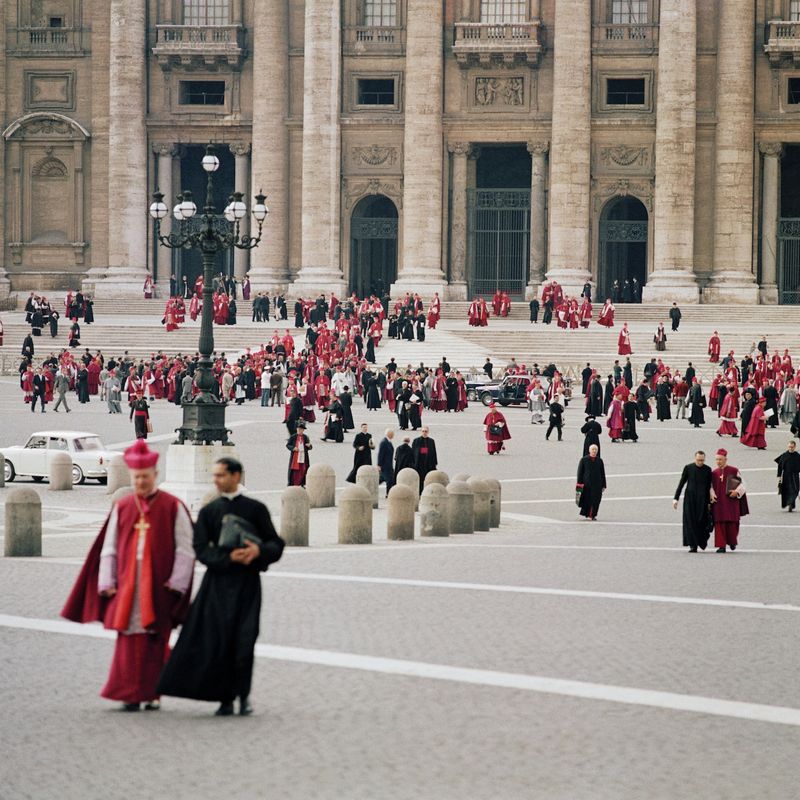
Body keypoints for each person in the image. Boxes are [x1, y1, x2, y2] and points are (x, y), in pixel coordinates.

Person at [61, 440, 194, 711]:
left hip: (160, 585)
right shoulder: (123, 506)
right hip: (128, 583)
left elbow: (185, 550)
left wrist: (177, 584)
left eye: (145, 478)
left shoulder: (173, 506)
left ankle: (152, 692)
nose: (141, 483)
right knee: (129, 638)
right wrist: (107, 582)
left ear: (155, 476)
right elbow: (109, 548)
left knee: (155, 638)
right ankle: (128, 692)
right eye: (136, 478)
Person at [157, 457, 285, 717]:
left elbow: (276, 544)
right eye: (214, 475)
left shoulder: (255, 509)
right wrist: (228, 558)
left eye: (221, 475)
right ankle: (224, 697)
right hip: (216, 586)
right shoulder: (209, 512)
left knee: (245, 641)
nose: (215, 480)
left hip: (247, 584)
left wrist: (258, 551)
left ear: (236, 475)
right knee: (218, 641)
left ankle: (243, 696)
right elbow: (201, 549)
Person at [673, 451, 714, 552]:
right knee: (690, 521)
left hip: (703, 500)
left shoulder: (708, 469)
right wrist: (676, 498)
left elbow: (709, 486)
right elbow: (681, 483)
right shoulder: (688, 468)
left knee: (701, 521)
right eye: (698, 460)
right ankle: (693, 545)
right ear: (695, 459)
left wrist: (709, 503)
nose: (700, 462)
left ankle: (701, 542)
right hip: (690, 500)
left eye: (702, 460)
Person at [710, 449, 748, 553]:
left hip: (731, 502)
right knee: (719, 524)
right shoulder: (713, 473)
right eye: (717, 460)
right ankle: (721, 546)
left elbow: (743, 484)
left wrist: (737, 491)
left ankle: (732, 542)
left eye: (720, 460)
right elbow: (710, 487)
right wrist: (712, 495)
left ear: (725, 459)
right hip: (718, 503)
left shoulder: (734, 470)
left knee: (733, 523)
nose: (718, 462)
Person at [576, 444, 606, 521]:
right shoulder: (584, 460)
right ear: (589, 451)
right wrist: (579, 484)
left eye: (595, 450)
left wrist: (604, 485)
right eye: (593, 450)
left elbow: (602, 473)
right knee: (588, 500)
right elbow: (580, 472)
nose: (594, 451)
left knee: (596, 500)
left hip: (597, 484)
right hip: (587, 485)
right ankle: (588, 514)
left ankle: (593, 514)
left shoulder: (599, 461)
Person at [775, 440, 800, 512]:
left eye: (792, 447)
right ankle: (789, 504)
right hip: (786, 476)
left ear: (795, 447)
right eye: (789, 447)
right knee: (787, 490)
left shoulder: (797, 456)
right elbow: (780, 466)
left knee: (795, 489)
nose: (790, 448)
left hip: (795, 476)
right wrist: (779, 476)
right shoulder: (784, 455)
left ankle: (791, 503)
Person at [412, 427, 438, 491]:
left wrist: (435, 462)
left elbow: (434, 452)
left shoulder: (431, 441)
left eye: (425, 431)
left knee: (428, 479)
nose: (424, 433)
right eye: (423, 431)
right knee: (420, 479)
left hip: (428, 463)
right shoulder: (416, 440)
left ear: (428, 432)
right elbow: (413, 452)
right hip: (419, 463)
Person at [287, 419, 312, 486]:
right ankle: (293, 482)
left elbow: (310, 447)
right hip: (295, 456)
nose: (300, 431)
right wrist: (293, 448)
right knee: (295, 469)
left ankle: (302, 482)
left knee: (303, 469)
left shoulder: (305, 437)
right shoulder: (293, 437)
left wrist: (309, 446)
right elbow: (288, 445)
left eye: (301, 429)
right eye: (299, 429)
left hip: (303, 456)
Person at [377, 429, 395, 496]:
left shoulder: (388, 442)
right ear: (389, 434)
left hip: (388, 465)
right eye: (392, 433)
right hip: (385, 465)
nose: (393, 435)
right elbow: (380, 454)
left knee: (384, 479)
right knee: (390, 480)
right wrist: (379, 465)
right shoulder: (384, 442)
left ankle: (370, 488)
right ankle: (388, 494)